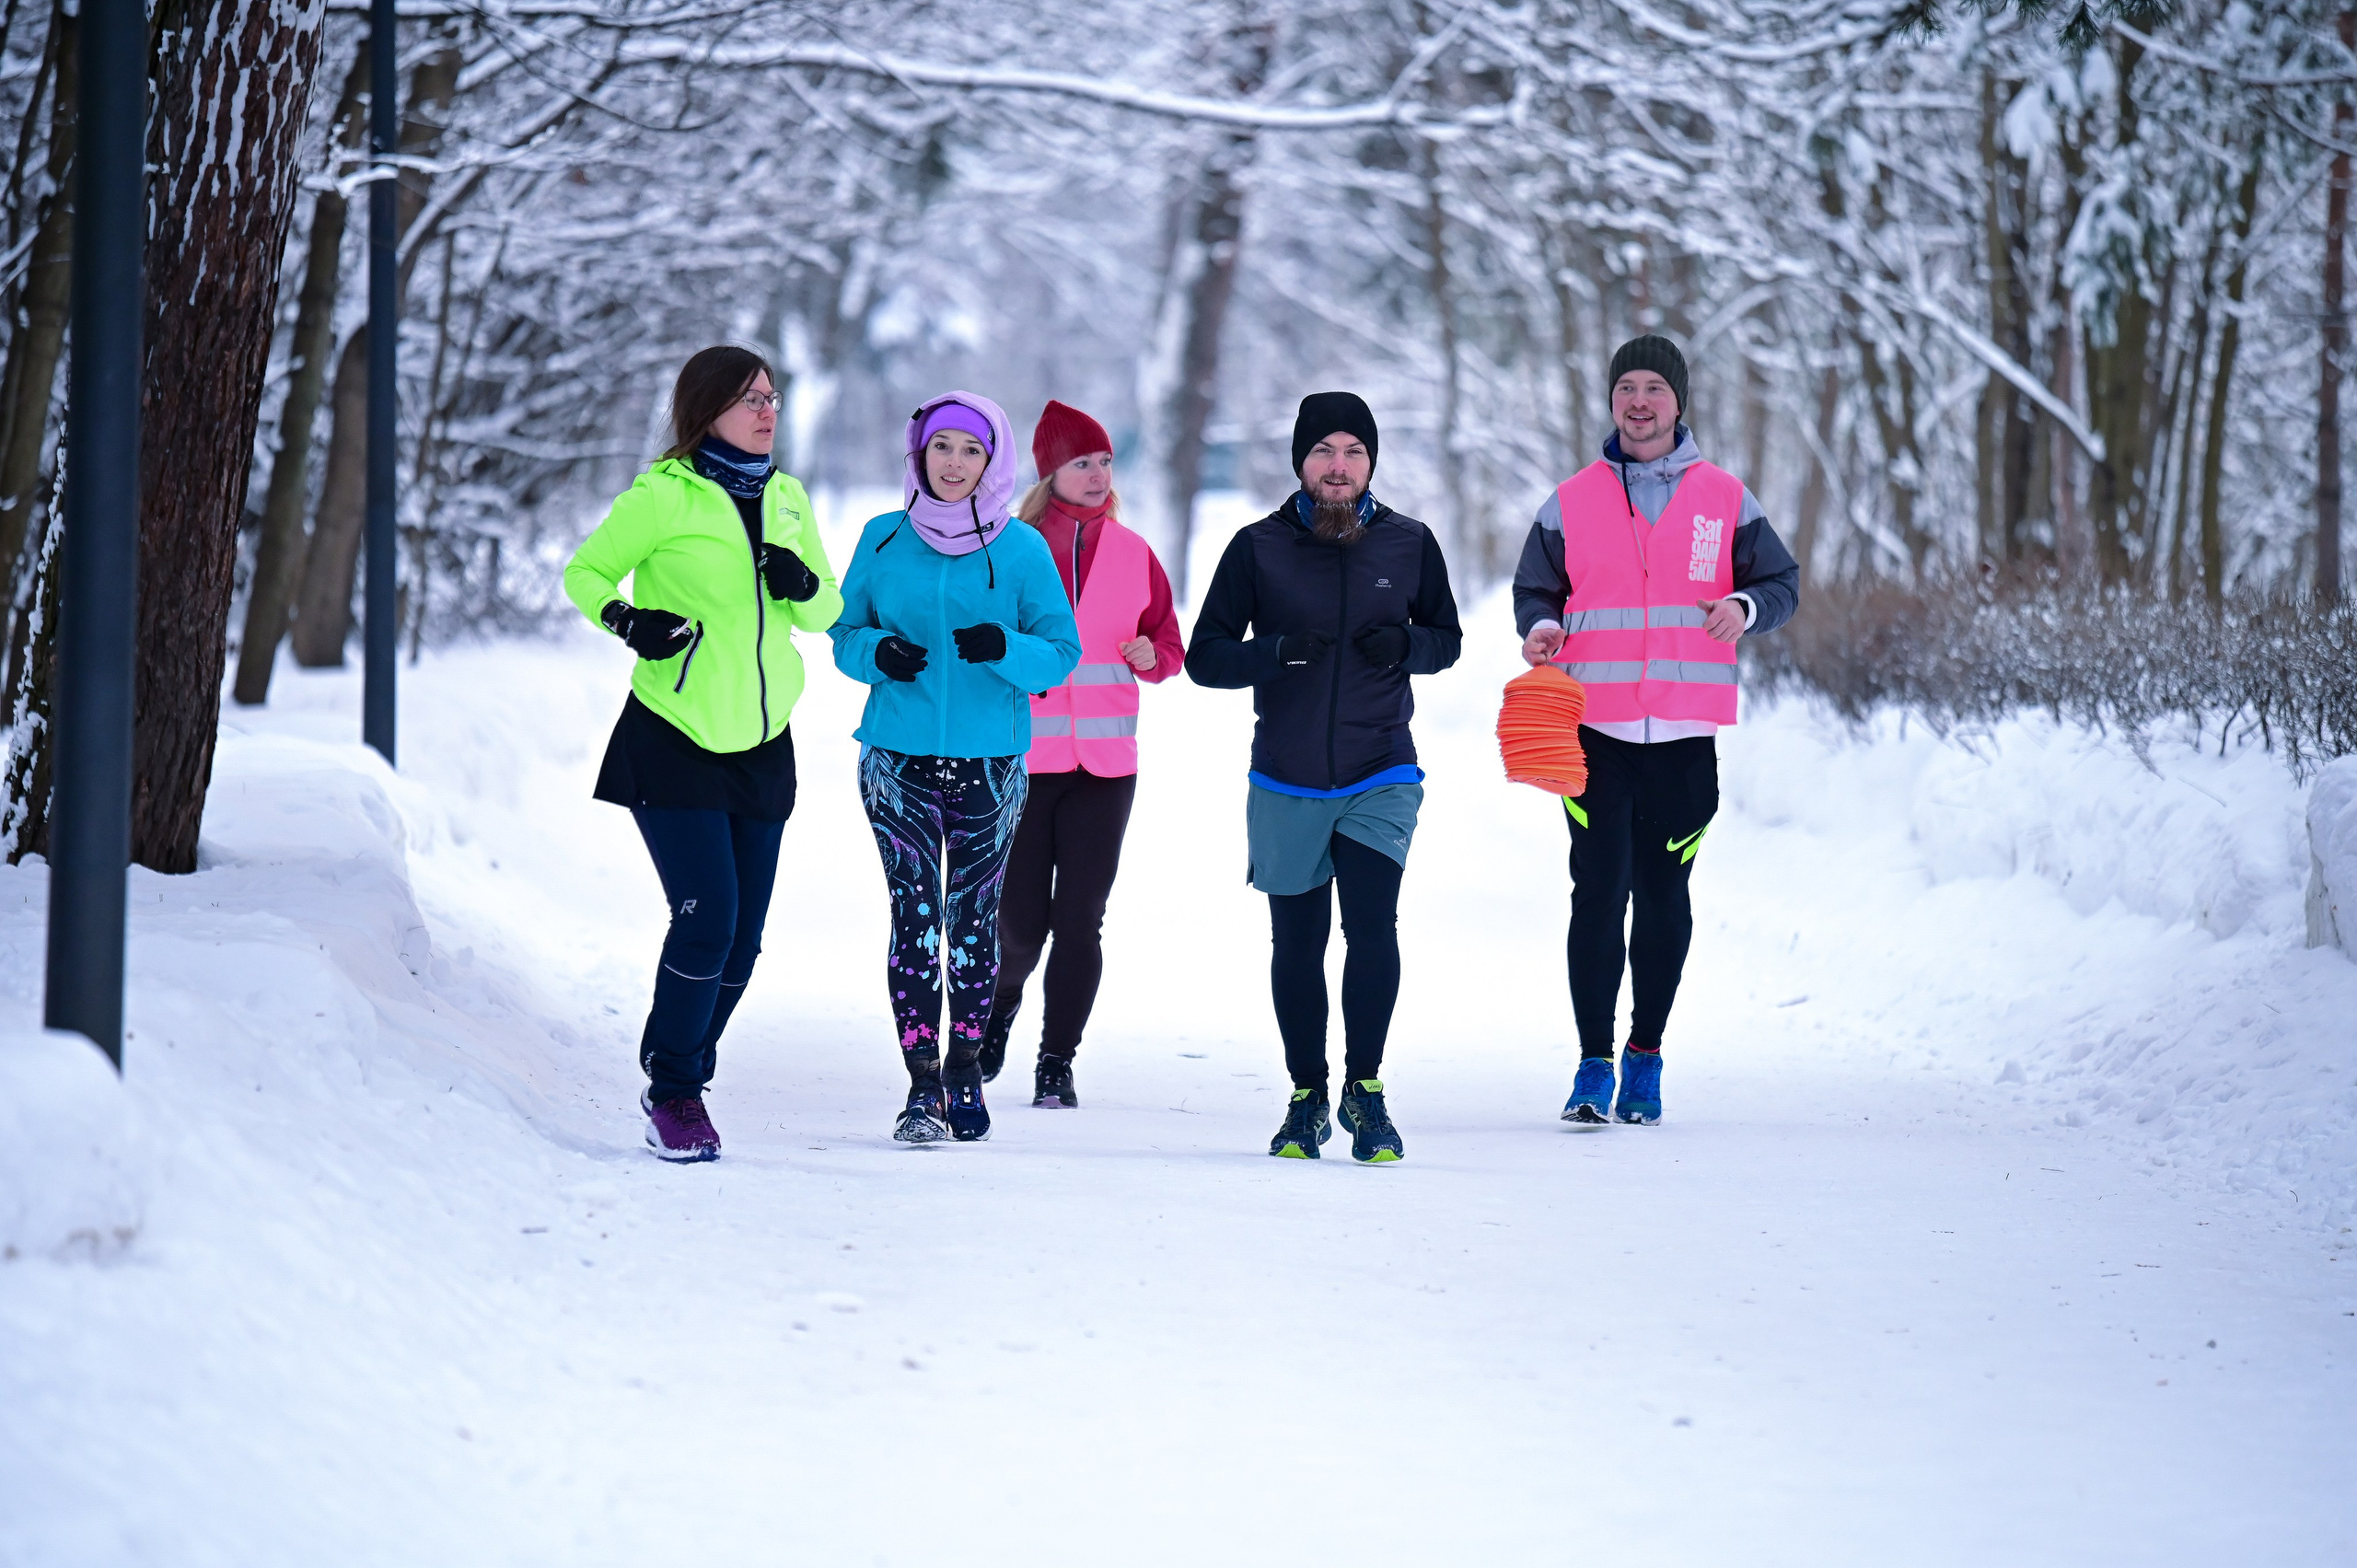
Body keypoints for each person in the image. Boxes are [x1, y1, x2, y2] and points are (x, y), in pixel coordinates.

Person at [1511, 333, 1799, 1126]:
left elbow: (1782, 582)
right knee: (1597, 895)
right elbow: (1535, 587)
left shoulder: (1725, 499)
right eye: (1626, 387)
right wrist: (1539, 626)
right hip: (1593, 735)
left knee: (1664, 900)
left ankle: (1646, 1055)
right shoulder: (1569, 501)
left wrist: (1744, 607)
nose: (1639, 401)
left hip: (1682, 735)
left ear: (1679, 402)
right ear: (1612, 402)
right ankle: (1593, 1063)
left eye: (1654, 388)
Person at [563, 345, 842, 1161]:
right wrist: (628, 622)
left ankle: (674, 1057)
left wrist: (799, 582)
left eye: (773, 398)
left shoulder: (788, 499)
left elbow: (826, 610)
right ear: (706, 409)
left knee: (743, 941)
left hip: (762, 743)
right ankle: (678, 1091)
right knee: (707, 920)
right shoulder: (663, 496)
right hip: (674, 734)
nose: (767, 411)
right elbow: (586, 573)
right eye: (750, 398)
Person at [1186, 391, 1462, 1163]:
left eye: (1354, 453)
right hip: (1286, 777)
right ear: (1301, 461)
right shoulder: (1257, 548)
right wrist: (1271, 654)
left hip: (1382, 770)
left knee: (1373, 927)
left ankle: (1365, 1090)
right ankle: (1307, 1094)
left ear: (1371, 463)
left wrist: (1405, 645)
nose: (1338, 468)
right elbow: (1203, 657)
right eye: (1324, 453)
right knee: (1298, 943)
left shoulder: (1409, 543)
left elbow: (1449, 640)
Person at [830, 392, 1081, 1144]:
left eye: (971, 451)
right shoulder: (882, 539)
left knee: (972, 921)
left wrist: (1004, 646)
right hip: (896, 761)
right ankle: (921, 1085)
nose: (954, 464)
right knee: (915, 920)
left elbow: (1060, 651)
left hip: (990, 766)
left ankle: (967, 1066)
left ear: (993, 461)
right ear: (919, 452)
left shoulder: (1021, 549)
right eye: (942, 447)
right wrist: (878, 653)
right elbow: (844, 632)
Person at [979, 401, 1185, 1109]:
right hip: (1025, 764)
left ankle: (1055, 1060)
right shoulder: (1010, 548)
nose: (1098, 475)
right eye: (1081, 463)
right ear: (1050, 473)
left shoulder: (1135, 554)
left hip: (1106, 767)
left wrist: (1150, 655)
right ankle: (1003, 1003)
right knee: (1021, 924)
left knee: (1081, 918)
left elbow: (1170, 647)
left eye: (1104, 461)